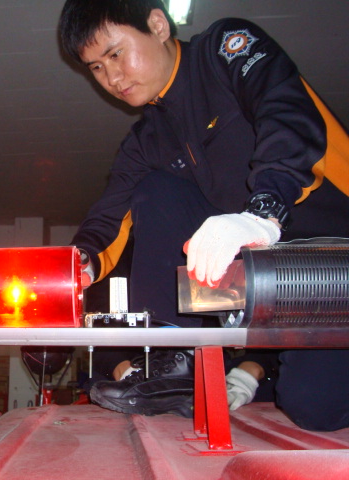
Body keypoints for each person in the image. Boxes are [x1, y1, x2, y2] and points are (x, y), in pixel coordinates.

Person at [58, 0, 349, 431]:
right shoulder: (147, 139)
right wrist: (75, 265)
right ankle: (175, 360)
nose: (112, 78)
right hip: (266, 276)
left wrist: (263, 211)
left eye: (116, 54)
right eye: (96, 68)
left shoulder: (225, 51)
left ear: (158, 25)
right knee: (156, 190)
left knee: (313, 408)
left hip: (333, 256)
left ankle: (263, 373)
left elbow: (288, 117)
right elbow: (108, 216)